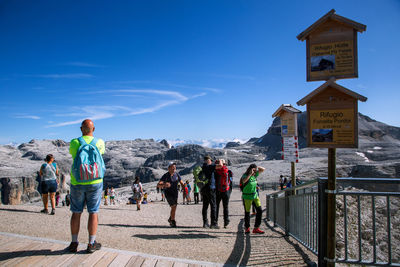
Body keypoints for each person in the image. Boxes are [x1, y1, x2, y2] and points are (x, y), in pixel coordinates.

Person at [67, 119, 106, 253]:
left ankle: (73, 243)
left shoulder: (75, 142)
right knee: (93, 212)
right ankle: (91, 243)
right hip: (95, 182)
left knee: (76, 212)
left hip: (77, 181)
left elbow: (73, 155)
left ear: (81, 129)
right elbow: (101, 154)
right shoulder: (99, 142)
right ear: (93, 129)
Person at [157, 162, 185, 228]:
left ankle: (170, 219)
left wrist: (184, 186)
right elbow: (158, 185)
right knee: (173, 206)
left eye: (175, 167)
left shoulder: (177, 174)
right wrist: (164, 185)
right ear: (169, 168)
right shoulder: (165, 175)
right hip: (168, 193)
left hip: (175, 193)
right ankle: (173, 221)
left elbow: (181, 181)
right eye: (172, 167)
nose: (174, 168)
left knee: (174, 207)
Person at [240, 164, 265, 234]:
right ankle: (247, 228)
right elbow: (244, 181)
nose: (254, 171)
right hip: (247, 197)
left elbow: (263, 169)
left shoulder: (254, 175)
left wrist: (257, 168)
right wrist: (250, 174)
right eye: (253, 169)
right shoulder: (245, 176)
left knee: (259, 210)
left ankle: (256, 227)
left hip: (255, 196)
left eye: (255, 170)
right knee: (247, 212)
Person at [201, 155, 219, 229]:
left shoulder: (202, 167)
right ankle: (213, 223)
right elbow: (220, 166)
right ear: (209, 160)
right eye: (210, 160)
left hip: (203, 189)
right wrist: (219, 161)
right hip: (211, 188)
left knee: (205, 206)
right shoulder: (210, 166)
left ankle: (205, 223)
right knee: (213, 205)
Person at [215, 159, 231, 228]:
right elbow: (231, 183)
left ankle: (215, 222)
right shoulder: (228, 171)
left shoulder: (215, 171)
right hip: (226, 191)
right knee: (225, 207)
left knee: (216, 207)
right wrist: (229, 192)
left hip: (217, 191)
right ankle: (226, 222)